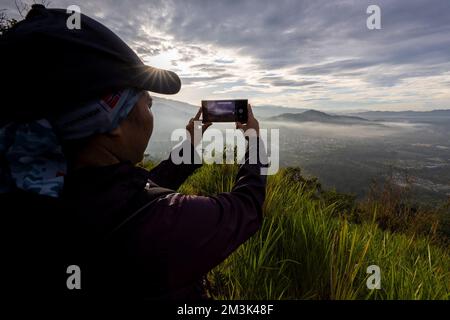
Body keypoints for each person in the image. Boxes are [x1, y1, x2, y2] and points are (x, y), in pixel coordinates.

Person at [0, 4, 267, 300]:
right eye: (147, 104)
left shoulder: (48, 190)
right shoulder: (156, 227)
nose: (150, 114)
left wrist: (190, 148)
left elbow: (140, 192)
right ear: (113, 123)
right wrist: (254, 141)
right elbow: (246, 209)